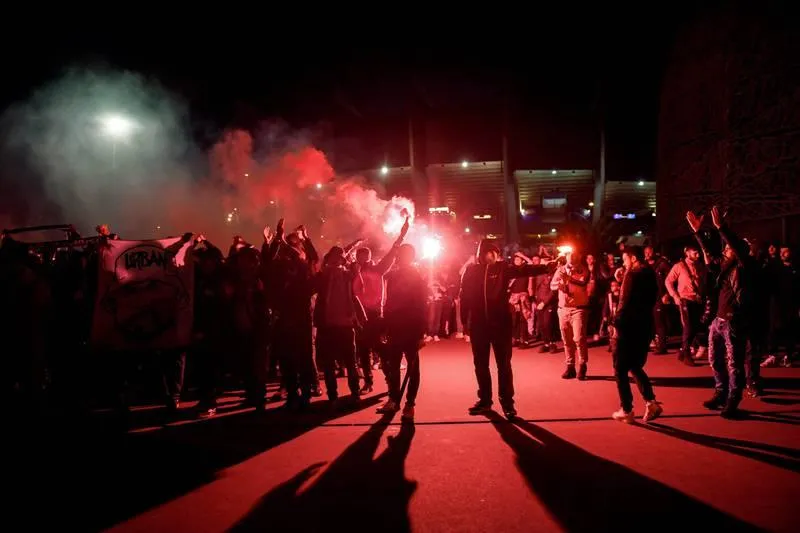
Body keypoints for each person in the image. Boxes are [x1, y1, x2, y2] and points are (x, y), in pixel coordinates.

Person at [460, 240, 549, 419]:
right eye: (487, 252)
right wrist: (465, 323)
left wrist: (547, 268)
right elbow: (465, 296)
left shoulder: (503, 268)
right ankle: (485, 400)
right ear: (481, 254)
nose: (491, 256)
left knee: (504, 365)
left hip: (500, 325)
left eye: (494, 252)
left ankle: (507, 403)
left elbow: (524, 270)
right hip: (479, 325)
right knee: (481, 365)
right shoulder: (472, 271)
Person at [688, 206, 755, 419]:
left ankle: (733, 400)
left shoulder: (744, 265)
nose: (725, 249)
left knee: (734, 362)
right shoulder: (725, 267)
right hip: (719, 319)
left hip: (734, 320)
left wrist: (722, 228)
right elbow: (709, 254)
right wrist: (698, 233)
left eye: (729, 248)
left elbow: (736, 247)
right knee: (715, 359)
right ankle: (720, 392)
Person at [352, 219, 408, 393]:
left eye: (366, 256)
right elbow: (336, 259)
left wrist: (402, 235)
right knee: (362, 350)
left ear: (370, 258)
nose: (363, 259)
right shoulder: (352, 272)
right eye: (360, 256)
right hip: (359, 317)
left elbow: (393, 252)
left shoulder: (378, 269)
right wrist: (354, 245)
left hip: (375, 315)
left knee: (381, 350)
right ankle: (368, 382)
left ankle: (389, 381)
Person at [611, 246, 663, 423]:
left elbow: (624, 302)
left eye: (625, 259)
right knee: (634, 365)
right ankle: (651, 402)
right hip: (645, 325)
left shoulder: (632, 274)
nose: (624, 262)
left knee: (620, 369)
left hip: (627, 327)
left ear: (632, 258)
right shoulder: (649, 273)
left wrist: (616, 324)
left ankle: (627, 409)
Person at [378, 244, 427, 422]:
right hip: (395, 328)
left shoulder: (417, 277)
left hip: (411, 329)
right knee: (393, 366)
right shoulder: (393, 276)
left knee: (413, 369)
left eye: (401, 255)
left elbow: (422, 306)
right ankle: (393, 399)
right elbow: (388, 303)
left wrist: (422, 333)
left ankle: (410, 404)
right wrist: (385, 327)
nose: (398, 258)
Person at [314, 246, 367, 408]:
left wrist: (360, 317)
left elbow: (358, 291)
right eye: (333, 257)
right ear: (328, 260)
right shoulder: (322, 276)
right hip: (328, 325)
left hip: (344, 324)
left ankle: (355, 394)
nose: (336, 260)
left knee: (350, 362)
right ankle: (333, 397)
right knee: (330, 364)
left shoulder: (348, 275)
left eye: (339, 257)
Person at [551, 248, 591, 380]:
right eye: (569, 254)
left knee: (579, 338)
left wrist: (569, 279)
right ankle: (570, 367)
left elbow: (583, 283)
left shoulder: (583, 270)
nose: (571, 257)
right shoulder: (561, 269)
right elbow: (552, 285)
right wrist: (560, 285)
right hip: (563, 309)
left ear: (579, 255)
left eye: (574, 254)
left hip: (578, 308)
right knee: (567, 340)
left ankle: (582, 365)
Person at [665, 245, 708, 366]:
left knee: (694, 327)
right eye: (695, 252)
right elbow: (668, 281)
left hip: (697, 301)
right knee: (688, 328)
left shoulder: (699, 266)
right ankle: (687, 354)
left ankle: (682, 352)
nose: (698, 254)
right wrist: (675, 296)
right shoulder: (679, 266)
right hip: (685, 300)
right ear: (687, 253)